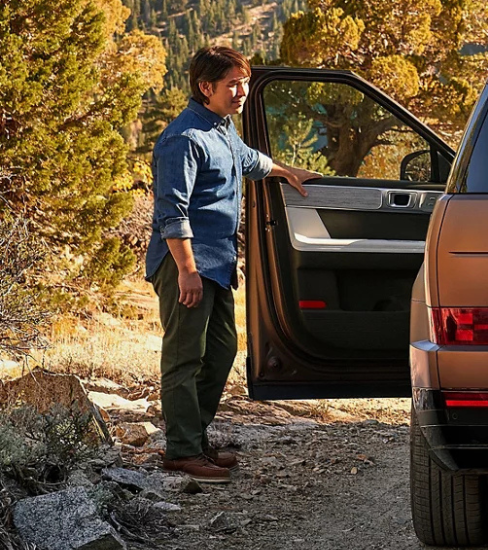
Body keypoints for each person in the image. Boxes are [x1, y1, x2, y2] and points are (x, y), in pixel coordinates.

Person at [148, 46, 320, 483]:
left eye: (244, 82)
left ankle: (194, 436)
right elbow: (173, 212)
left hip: (217, 264)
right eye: (233, 84)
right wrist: (186, 269)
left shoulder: (221, 128)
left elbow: (249, 161)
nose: (242, 92)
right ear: (206, 87)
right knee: (184, 358)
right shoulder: (183, 139)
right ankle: (182, 451)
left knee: (221, 350)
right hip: (187, 264)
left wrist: (287, 171)